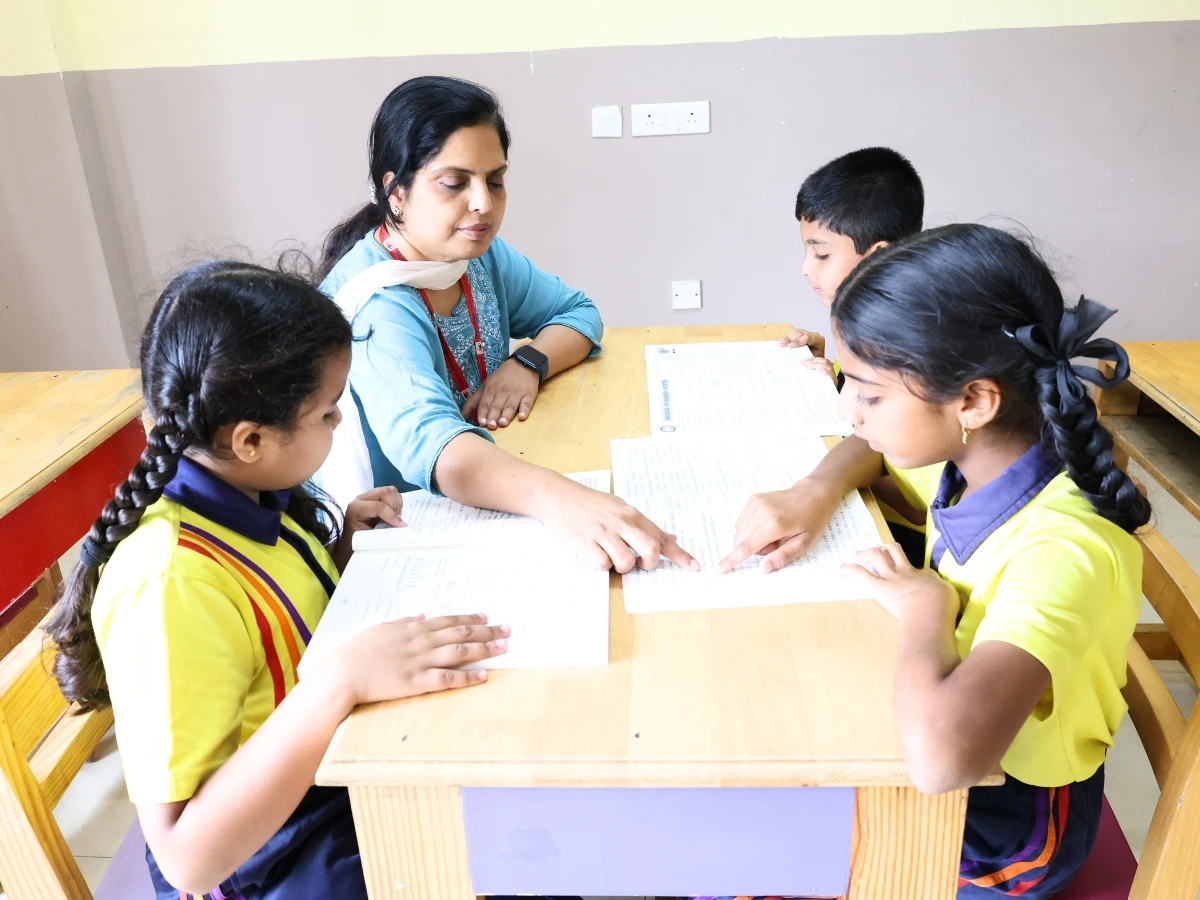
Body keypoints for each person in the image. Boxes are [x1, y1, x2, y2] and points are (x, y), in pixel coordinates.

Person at [45, 262, 510, 899]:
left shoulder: (251, 491)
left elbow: (273, 635)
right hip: (270, 853)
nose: (338, 423)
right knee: (498, 845)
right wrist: (342, 682)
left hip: (324, 775)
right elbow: (186, 860)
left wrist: (341, 552)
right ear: (251, 439)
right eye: (327, 412)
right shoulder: (170, 582)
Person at [726, 224, 1150, 897]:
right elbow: (869, 452)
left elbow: (941, 762)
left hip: (1007, 832)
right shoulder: (978, 457)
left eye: (869, 393)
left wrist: (926, 607)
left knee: (744, 854)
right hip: (956, 743)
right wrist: (817, 489)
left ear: (974, 401)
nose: (848, 410)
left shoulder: (1063, 551)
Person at [317, 75, 696, 574]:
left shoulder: (475, 256)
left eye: (494, 180)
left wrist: (527, 363)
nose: (483, 203)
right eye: (454, 183)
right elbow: (438, 451)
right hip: (406, 522)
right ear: (397, 192)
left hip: (486, 489)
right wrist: (562, 500)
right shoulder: (378, 304)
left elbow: (579, 313)